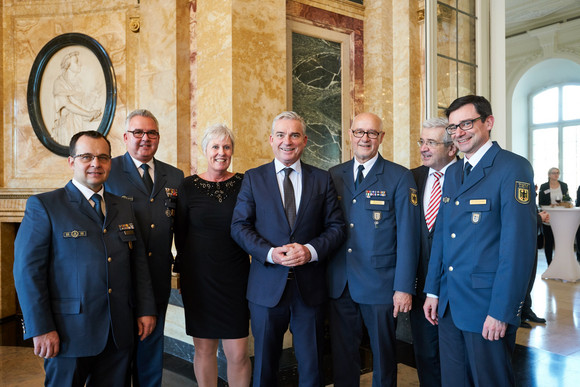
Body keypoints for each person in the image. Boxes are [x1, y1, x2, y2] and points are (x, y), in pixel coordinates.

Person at [13, 130, 156, 387]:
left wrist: (145, 309)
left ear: (110, 162)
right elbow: (27, 272)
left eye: (103, 157)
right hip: (68, 335)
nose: (95, 164)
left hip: (118, 332)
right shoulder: (45, 206)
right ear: (71, 161)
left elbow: (138, 265)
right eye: (86, 156)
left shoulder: (123, 207)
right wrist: (40, 328)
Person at [423, 95, 537, 386]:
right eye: (453, 127)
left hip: (486, 307)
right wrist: (433, 291)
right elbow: (442, 239)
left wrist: (502, 311)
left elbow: (518, 249)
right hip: (449, 305)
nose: (458, 132)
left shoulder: (512, 168)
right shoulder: (453, 174)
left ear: (488, 122)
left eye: (466, 123)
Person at [231, 111, 345, 387]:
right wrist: (269, 253)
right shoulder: (253, 178)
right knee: (264, 368)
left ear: (304, 141)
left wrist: (310, 250)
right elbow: (239, 226)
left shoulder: (322, 179)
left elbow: (337, 227)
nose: (287, 141)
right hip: (266, 289)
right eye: (281, 135)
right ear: (271, 140)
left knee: (312, 368)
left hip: (310, 290)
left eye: (294, 135)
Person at [326, 112, 420, 386]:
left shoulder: (399, 177)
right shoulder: (334, 175)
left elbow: (408, 236)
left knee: (383, 354)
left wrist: (404, 287)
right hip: (340, 283)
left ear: (381, 137)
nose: (364, 138)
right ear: (350, 134)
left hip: (381, 285)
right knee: (343, 357)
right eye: (359, 132)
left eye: (372, 133)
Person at [105, 109, 184, 387]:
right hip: (121, 277)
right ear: (126, 137)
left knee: (151, 348)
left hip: (157, 275)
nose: (145, 138)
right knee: (119, 350)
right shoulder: (108, 170)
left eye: (151, 133)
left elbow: (181, 227)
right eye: (138, 132)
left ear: (158, 138)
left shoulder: (174, 176)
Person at [174, 124, 251, 387]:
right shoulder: (187, 187)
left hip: (237, 279)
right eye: (215, 146)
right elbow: (180, 236)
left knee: (238, 354)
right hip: (200, 280)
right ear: (205, 150)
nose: (221, 152)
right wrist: (182, 275)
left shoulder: (245, 183)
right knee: (204, 350)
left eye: (227, 147)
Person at [410, 117, 457, 387]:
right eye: (422, 141)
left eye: (431, 142)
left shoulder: (467, 177)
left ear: (452, 149)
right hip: (420, 288)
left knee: (454, 359)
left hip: (455, 289)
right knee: (425, 355)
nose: (423, 148)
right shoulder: (412, 177)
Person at [51, 51, 103, 144]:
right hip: (66, 126)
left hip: (78, 123)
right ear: (68, 65)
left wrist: (93, 108)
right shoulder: (60, 83)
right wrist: (89, 113)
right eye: (76, 62)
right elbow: (68, 105)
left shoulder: (78, 84)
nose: (80, 64)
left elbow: (81, 106)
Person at [520, 209, 549, 328]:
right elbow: (519, 218)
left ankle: (526, 310)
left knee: (530, 278)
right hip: (520, 242)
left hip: (531, 240)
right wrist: (538, 219)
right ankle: (518, 315)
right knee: (521, 280)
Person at [538, 167, 569, 265]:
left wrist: (564, 203)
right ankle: (549, 263)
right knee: (549, 241)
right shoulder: (544, 186)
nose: (556, 175)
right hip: (548, 217)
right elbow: (541, 202)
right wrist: (550, 204)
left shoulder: (564, 186)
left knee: (561, 240)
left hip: (561, 217)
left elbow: (568, 199)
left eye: (557, 173)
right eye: (554, 173)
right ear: (549, 175)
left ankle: (561, 262)